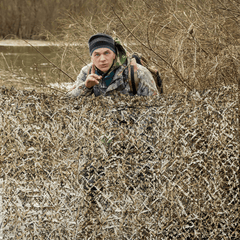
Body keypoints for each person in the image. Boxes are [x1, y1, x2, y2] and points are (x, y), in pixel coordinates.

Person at [68, 33, 159, 97]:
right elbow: (66, 102)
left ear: (114, 55)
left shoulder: (138, 72)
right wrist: (86, 87)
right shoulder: (86, 72)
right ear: (91, 58)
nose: (102, 59)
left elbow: (155, 107)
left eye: (107, 53)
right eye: (97, 54)